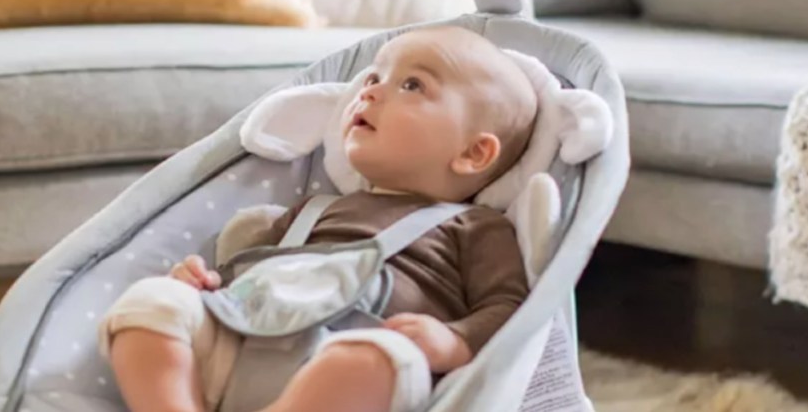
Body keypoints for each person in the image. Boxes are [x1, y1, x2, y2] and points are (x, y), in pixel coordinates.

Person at [99, 26, 538, 412]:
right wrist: (202, 286)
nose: (369, 91)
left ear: (472, 153)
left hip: (345, 370)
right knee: (153, 301)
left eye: (411, 85)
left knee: (378, 359)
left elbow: (511, 308)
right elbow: (251, 279)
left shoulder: (473, 226)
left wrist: (456, 342)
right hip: (241, 343)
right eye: (372, 77)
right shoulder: (313, 210)